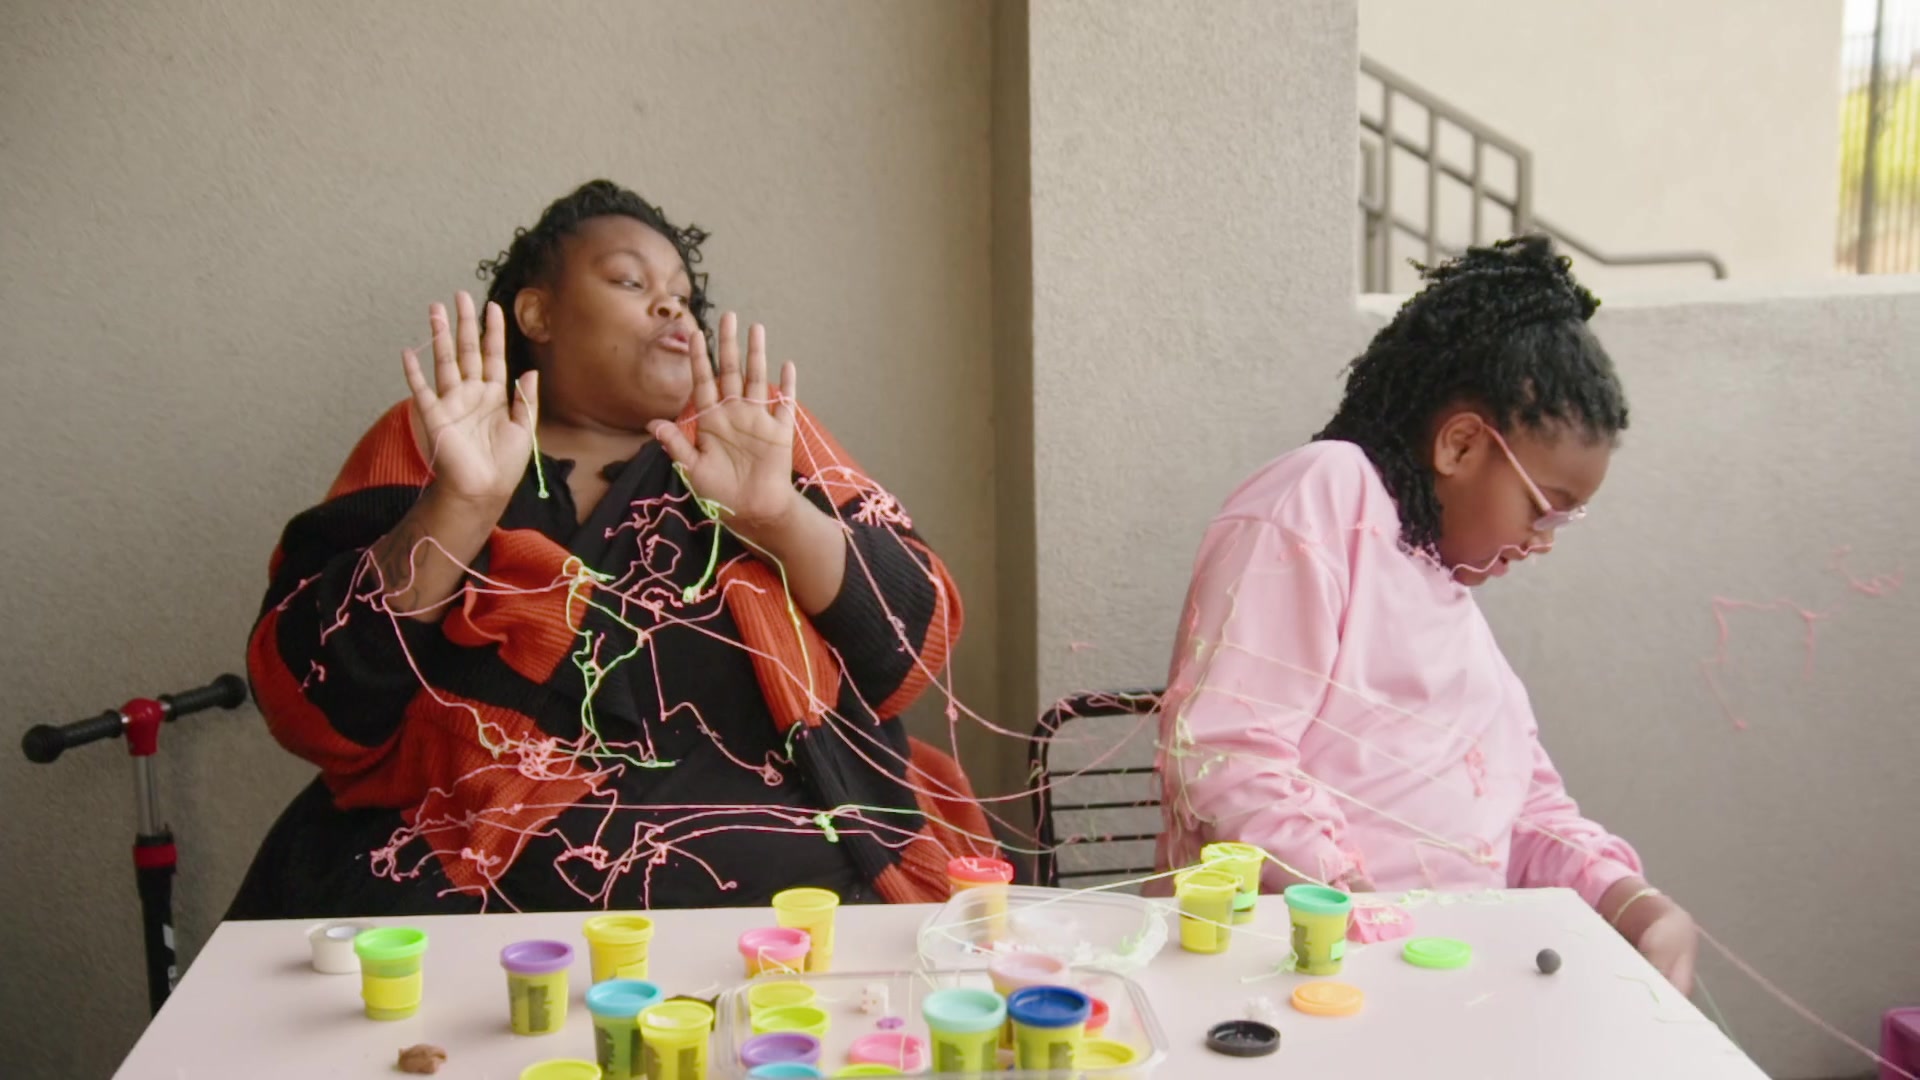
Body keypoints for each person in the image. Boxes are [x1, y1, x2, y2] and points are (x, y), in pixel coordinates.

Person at [231, 180, 992, 918]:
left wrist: (779, 518)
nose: (671, 306)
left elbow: (912, 651)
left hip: (791, 906)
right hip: (464, 901)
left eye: (683, 297)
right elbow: (312, 707)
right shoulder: (438, 435)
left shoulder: (754, 430)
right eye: (631, 281)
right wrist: (459, 509)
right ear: (538, 313)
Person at [1155, 236, 1699, 992]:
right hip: (1296, 975)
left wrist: (1634, 903)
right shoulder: (1326, 493)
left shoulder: (1445, 597)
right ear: (1462, 443)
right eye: (1546, 508)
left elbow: (1523, 810)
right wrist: (1355, 908)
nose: (1544, 540)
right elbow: (1227, 753)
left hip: (1418, 973)